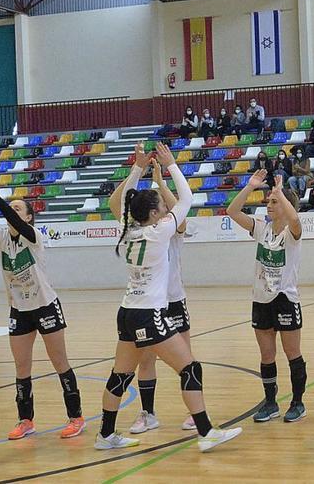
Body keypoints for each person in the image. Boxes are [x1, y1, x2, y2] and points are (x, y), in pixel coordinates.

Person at [101, 144, 241, 452]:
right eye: (162, 209)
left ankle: (106, 434)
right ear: (154, 214)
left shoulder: (127, 230)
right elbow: (188, 200)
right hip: (148, 313)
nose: (166, 211)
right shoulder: (158, 232)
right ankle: (206, 433)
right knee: (190, 368)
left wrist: (137, 167)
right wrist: (172, 166)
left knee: (120, 375)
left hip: (127, 311)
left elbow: (125, 202)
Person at [0, 169, 84, 441]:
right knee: (21, 368)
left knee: (60, 363)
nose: (13, 211)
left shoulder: (33, 234)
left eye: (19, 208)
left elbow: (14, 221)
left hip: (45, 305)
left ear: (28, 217)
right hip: (19, 309)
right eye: (12, 207)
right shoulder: (0, 236)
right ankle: (25, 420)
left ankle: (76, 417)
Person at [227, 171, 308, 423]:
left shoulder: (292, 233)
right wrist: (250, 186)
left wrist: (280, 193)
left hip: (285, 299)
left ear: (285, 205)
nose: (268, 204)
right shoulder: (261, 229)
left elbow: (294, 219)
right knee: (266, 355)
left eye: (273, 202)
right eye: (269, 201)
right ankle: (271, 403)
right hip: (261, 299)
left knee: (292, 353)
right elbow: (232, 211)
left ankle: (297, 402)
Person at [128, 164, 198, 435]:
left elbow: (181, 212)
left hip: (174, 300)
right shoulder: (141, 231)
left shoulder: (172, 229)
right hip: (147, 303)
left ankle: (195, 412)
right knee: (146, 359)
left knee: (186, 358)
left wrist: (161, 183)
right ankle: (148, 414)